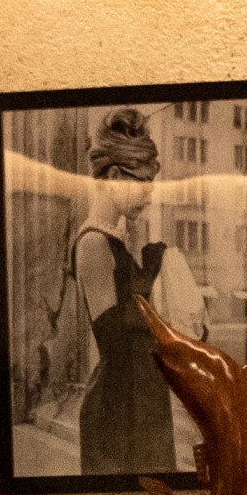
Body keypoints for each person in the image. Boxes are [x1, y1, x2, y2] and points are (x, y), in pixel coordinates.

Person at [70, 107, 187, 476]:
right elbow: (118, 337)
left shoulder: (114, 241)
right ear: (116, 176)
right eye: (143, 185)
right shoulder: (93, 243)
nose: (149, 197)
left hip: (141, 400)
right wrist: (154, 271)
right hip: (118, 411)